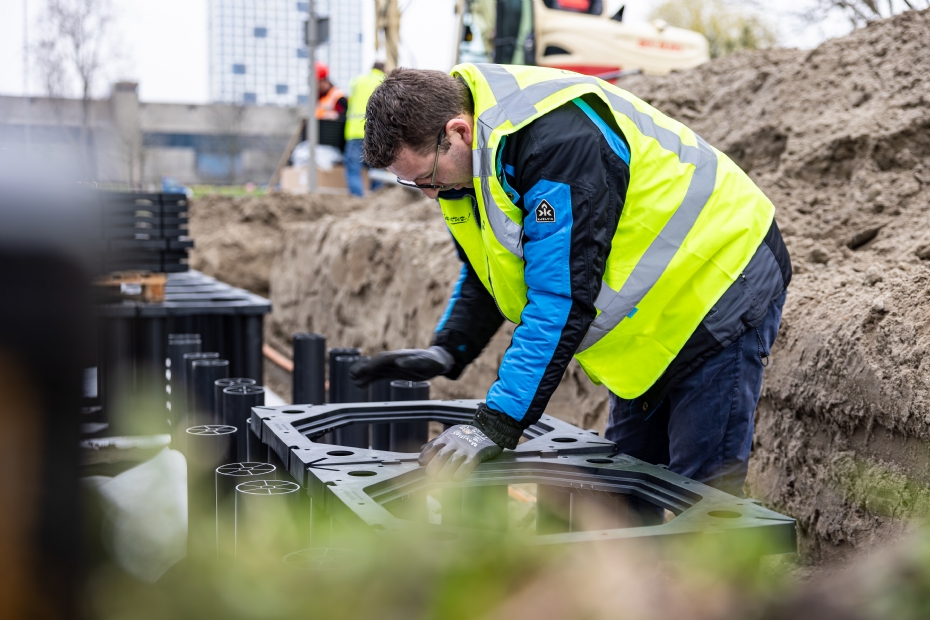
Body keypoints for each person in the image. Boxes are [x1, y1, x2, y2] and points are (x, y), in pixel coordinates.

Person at [350, 64, 791, 500]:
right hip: (654, 321)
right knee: (620, 493)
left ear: (458, 132)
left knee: (701, 498)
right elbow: (493, 267)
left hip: (721, 279)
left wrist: (498, 421)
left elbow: (559, 298)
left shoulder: (556, 141)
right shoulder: (469, 166)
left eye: (426, 177)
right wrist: (451, 347)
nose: (428, 193)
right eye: (412, 183)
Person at [344, 62, 386, 196]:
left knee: (353, 169)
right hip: (376, 133)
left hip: (355, 131)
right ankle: (376, 199)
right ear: (383, 69)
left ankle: (357, 199)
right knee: (377, 168)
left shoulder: (358, 81)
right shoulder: (385, 82)